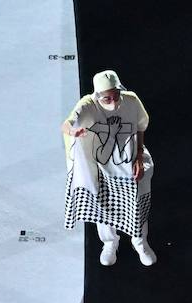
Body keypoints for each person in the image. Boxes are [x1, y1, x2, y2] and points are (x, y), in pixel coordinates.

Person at [62, 69, 155, 267]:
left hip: (128, 161)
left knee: (137, 203)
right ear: (98, 96)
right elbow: (67, 123)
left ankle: (140, 242)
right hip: (102, 165)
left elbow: (140, 126)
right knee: (103, 205)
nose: (113, 102)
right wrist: (73, 131)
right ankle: (110, 243)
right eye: (107, 99)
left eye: (116, 96)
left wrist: (138, 155)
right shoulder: (88, 104)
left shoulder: (130, 100)